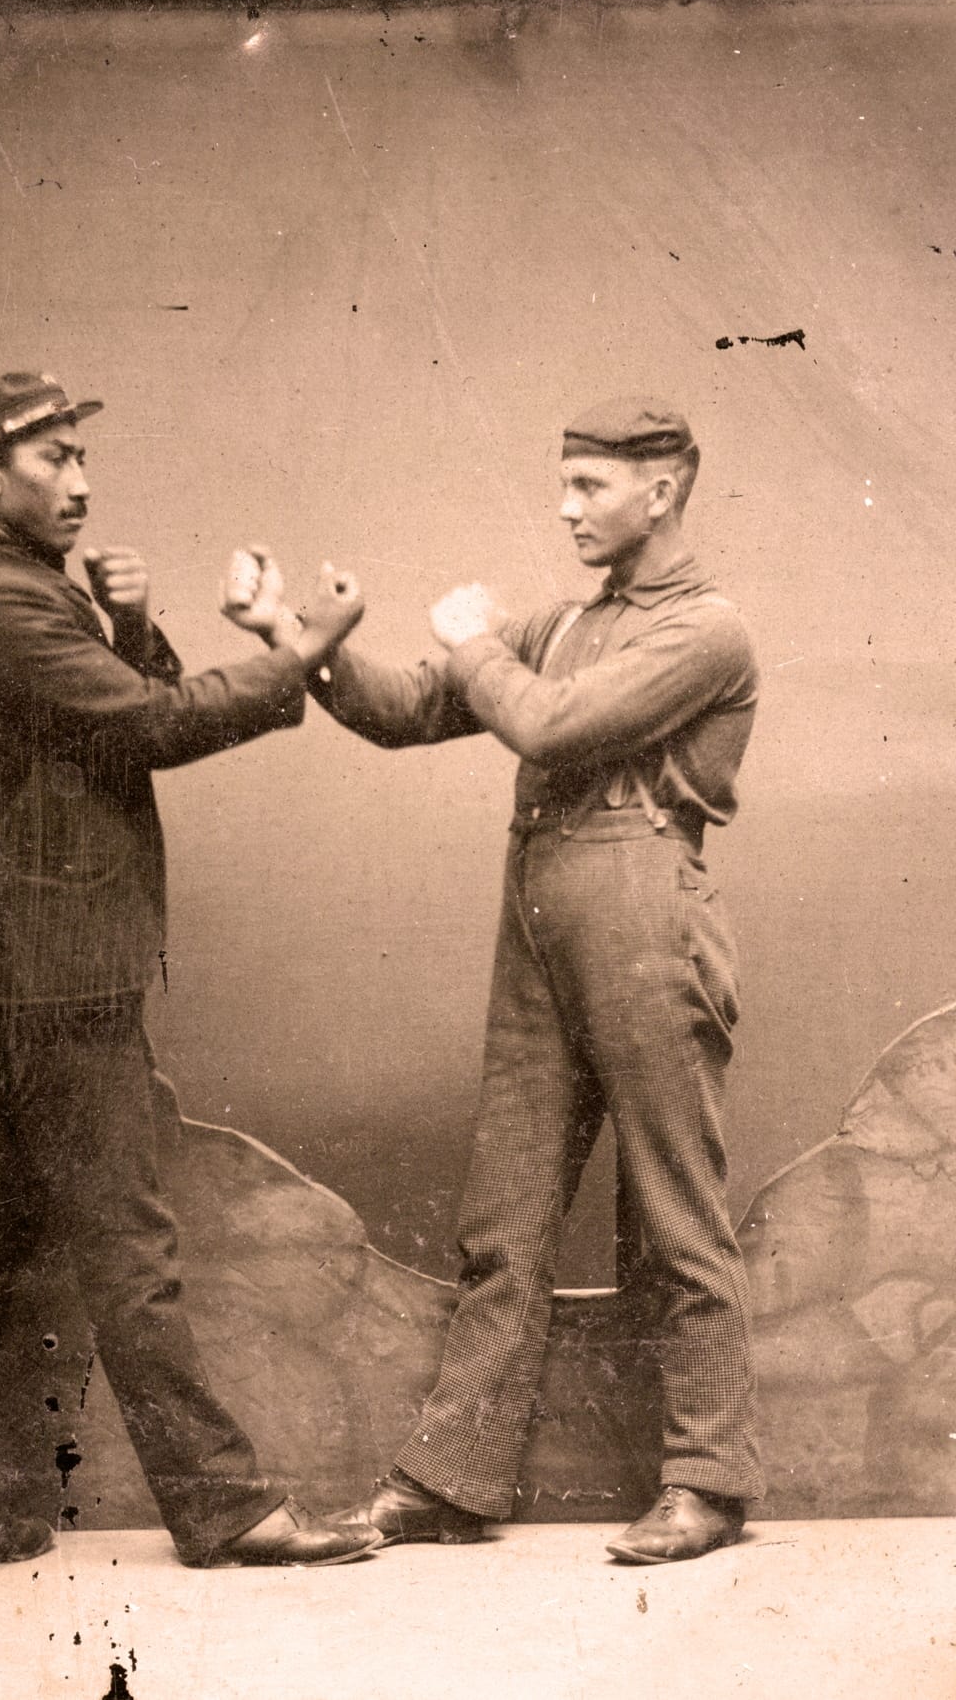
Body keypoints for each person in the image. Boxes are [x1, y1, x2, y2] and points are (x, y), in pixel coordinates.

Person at [226, 397, 764, 1563]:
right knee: (503, 1218)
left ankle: (708, 1484)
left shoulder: (706, 631)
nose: (564, 507)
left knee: (672, 1210)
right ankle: (453, 1481)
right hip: (541, 923)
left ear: (661, 489)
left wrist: (472, 641)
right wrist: (293, 640)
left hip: (642, 919)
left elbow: (554, 731)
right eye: (561, 482)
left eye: (589, 485)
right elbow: (408, 709)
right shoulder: (567, 621)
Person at [0, 371, 378, 1579]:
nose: (80, 479)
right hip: (53, 981)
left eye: (80, 457)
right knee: (129, 1252)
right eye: (54, 457)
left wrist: (134, 622)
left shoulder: (4, 594)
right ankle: (222, 1509)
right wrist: (305, 651)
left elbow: (130, 707)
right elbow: (154, 730)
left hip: (4, 970)